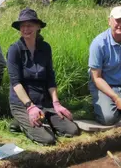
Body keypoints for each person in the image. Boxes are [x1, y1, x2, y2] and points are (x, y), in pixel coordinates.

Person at [7, 8, 79, 145]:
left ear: (38, 27)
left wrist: (56, 103)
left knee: (72, 130)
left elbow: (50, 78)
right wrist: (30, 107)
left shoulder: (45, 48)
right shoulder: (14, 50)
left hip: (44, 101)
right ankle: (20, 122)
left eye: (29, 25)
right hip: (23, 103)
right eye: (22, 25)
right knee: (48, 139)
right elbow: (15, 83)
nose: (25, 29)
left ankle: (43, 118)